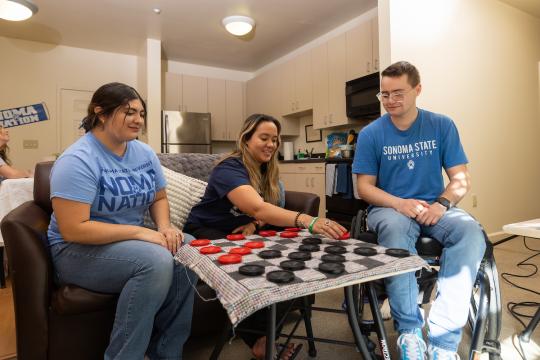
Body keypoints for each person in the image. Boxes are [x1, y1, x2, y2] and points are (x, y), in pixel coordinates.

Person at [47, 82, 198, 360]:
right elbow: (73, 229)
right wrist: (140, 234)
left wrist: (164, 227)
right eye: (129, 112)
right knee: (155, 261)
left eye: (141, 113)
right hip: (76, 250)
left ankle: (167, 353)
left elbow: (159, 198)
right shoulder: (77, 160)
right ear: (101, 113)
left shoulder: (143, 153)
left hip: (125, 242)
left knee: (187, 248)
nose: (138, 120)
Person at [185, 113, 347, 360]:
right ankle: (260, 340)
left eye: (275, 140)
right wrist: (308, 220)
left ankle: (264, 338)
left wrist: (253, 223)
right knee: (252, 268)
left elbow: (263, 209)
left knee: (292, 263)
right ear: (246, 139)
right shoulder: (229, 168)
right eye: (264, 138)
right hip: (208, 230)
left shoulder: (266, 170)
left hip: (239, 231)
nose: (271, 144)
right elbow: (257, 206)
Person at [353, 61, 485, 360]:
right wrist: (399, 203)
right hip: (390, 208)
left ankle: (443, 340)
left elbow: (460, 179)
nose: (390, 100)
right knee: (396, 229)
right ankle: (409, 331)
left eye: (398, 93)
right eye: (384, 94)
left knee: (469, 230)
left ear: (418, 90)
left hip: (433, 207)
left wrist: (441, 204)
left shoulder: (441, 125)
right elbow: (365, 188)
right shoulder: (372, 134)